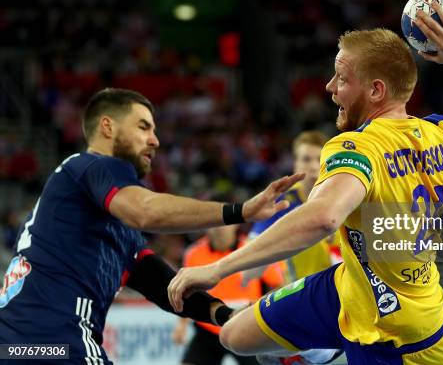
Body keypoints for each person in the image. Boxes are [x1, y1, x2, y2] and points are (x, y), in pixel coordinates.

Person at [168, 2, 443, 365]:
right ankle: (324, 350)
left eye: (341, 78)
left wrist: (219, 270)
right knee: (234, 336)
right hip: (348, 287)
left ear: (375, 91)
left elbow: (322, 218)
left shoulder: (357, 147)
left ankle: (329, 350)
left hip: (402, 336)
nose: (329, 88)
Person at [0, 88, 303, 365]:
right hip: (55, 340)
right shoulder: (91, 165)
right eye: (143, 127)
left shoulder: (103, 222)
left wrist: (225, 315)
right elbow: (145, 211)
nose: (155, 140)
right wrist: (241, 211)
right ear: (108, 127)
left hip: (20, 345)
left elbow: (165, 287)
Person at [173, 224, 283, 365]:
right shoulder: (194, 253)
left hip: (245, 325)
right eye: (214, 223)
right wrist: (181, 324)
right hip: (208, 326)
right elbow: (186, 291)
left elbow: (278, 285)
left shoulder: (252, 249)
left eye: (224, 224)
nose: (219, 229)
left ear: (235, 225)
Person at [244, 131, 335, 285]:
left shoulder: (346, 195)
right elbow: (249, 268)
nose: (313, 166)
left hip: (345, 294)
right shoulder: (281, 202)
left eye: (319, 159)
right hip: (301, 294)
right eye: (306, 159)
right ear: (295, 164)